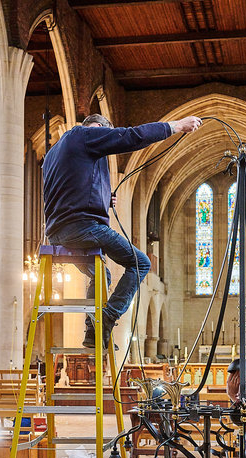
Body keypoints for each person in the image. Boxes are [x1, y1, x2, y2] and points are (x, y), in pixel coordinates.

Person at [43, 113, 202, 348]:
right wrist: (175, 126)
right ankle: (107, 317)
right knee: (141, 263)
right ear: (98, 128)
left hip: (57, 231)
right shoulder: (85, 134)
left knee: (101, 275)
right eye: (105, 134)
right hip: (83, 227)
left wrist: (104, 198)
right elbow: (131, 136)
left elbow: (68, 185)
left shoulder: (54, 153)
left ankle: (92, 332)